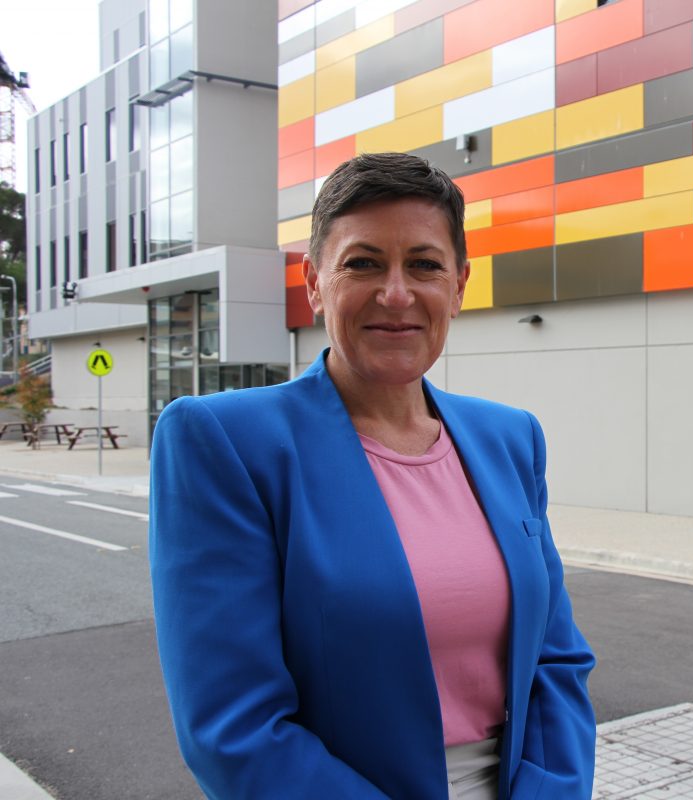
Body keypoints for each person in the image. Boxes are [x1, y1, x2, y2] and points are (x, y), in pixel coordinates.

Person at [149, 152, 596, 799]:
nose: (396, 293)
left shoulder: (510, 438)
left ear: (460, 284)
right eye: (363, 263)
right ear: (314, 282)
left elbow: (556, 660)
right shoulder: (226, 441)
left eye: (424, 264)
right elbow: (233, 729)